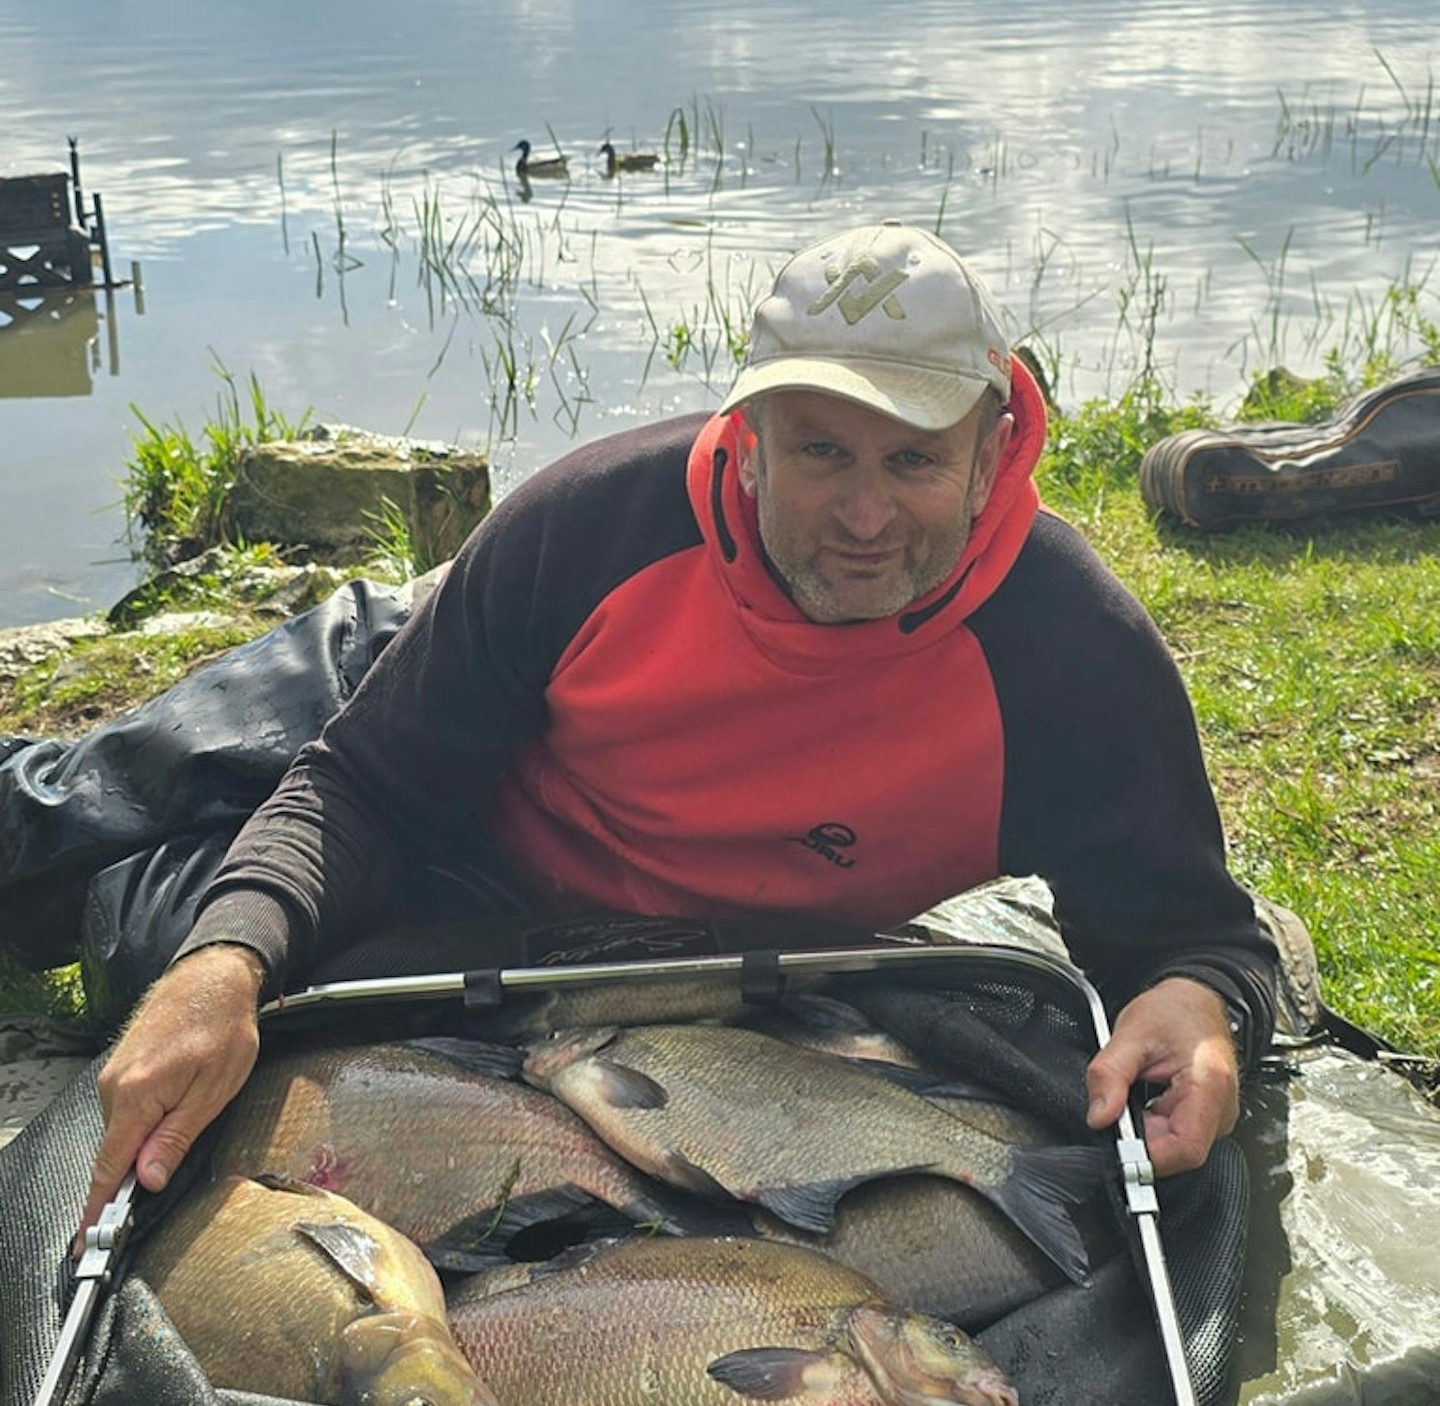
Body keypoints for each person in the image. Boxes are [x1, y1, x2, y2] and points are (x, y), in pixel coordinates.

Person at [79, 219, 1276, 1239]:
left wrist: (1197, 1006)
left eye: (913, 461)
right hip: (465, 804)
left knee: (173, 919)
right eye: (819, 451)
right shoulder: (588, 527)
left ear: (992, 455)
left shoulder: (1074, 652)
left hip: (642, 939)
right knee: (129, 864)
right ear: (749, 441)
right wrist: (218, 966)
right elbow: (368, 789)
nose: (864, 515)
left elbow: (1192, 935)